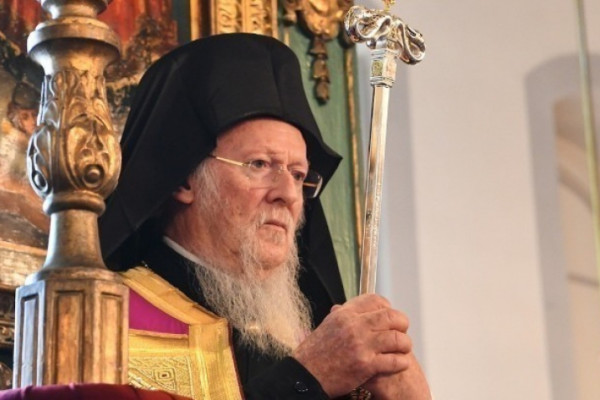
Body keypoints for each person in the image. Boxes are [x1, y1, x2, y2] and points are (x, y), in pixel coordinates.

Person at [99, 33, 431, 400]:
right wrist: (304, 380)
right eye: (259, 164)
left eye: (299, 174)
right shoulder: (103, 320)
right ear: (182, 179)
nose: (288, 194)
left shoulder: (313, 340)